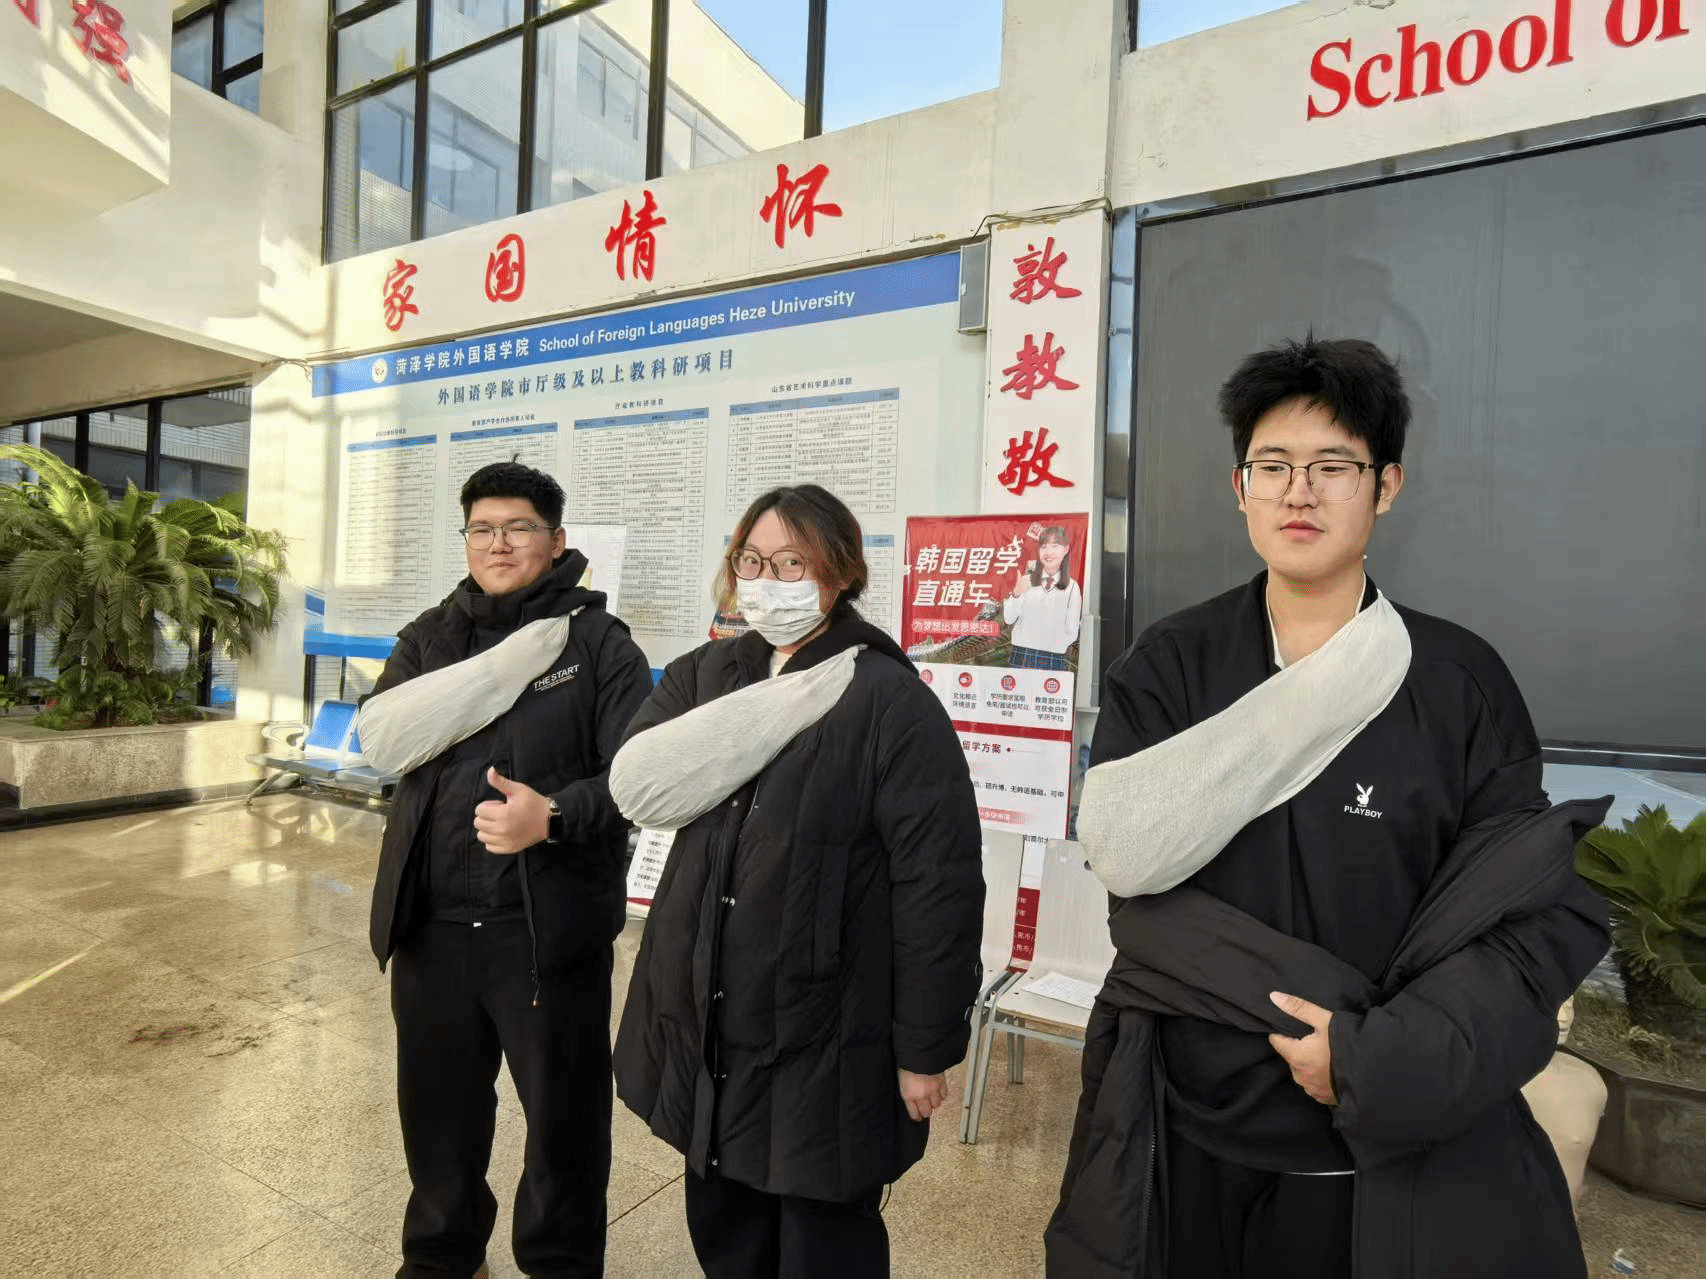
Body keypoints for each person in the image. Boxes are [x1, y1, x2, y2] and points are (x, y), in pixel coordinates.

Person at [1046, 337, 1610, 1278]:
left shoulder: (1459, 684)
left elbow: (1521, 920)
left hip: (1375, 1154)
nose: (1297, 493)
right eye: (1272, 466)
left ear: (1386, 486)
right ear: (1240, 488)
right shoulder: (1171, 667)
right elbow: (1135, 896)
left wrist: (1370, 1054)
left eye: (1332, 467)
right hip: (1182, 1132)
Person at [609, 483, 984, 1279]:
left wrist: (925, 1046)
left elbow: (938, 888)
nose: (766, 580)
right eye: (752, 560)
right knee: (724, 1227)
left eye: (791, 563)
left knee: (823, 1241)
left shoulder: (888, 701)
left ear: (838, 574)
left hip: (825, 1031)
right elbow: (641, 780)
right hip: (708, 1016)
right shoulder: (707, 674)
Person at [361, 461, 653, 1279]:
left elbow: (636, 777)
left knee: (563, 1122)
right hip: (433, 925)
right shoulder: (430, 636)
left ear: (556, 541)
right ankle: (443, 1258)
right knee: (437, 1114)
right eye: (482, 529)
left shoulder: (598, 645)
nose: (499, 543)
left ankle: (559, 1262)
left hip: (543, 930)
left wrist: (550, 815)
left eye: (518, 527)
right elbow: (384, 736)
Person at [1003, 525, 1082, 670]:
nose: (1049, 552)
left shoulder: (1072, 588)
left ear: (1066, 549)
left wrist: (1055, 645)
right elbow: (1008, 618)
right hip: (1022, 654)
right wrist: (1016, 594)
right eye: (1044, 547)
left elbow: (1072, 630)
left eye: (1055, 546)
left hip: (1054, 657)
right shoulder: (1026, 581)